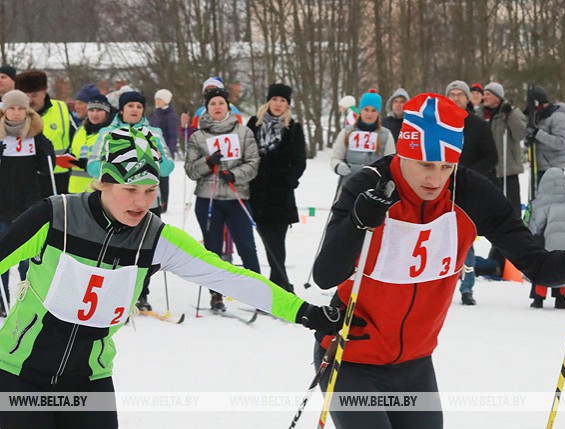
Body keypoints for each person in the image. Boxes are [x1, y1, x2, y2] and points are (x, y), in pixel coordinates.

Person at [0, 125, 342, 429]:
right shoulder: (54, 218)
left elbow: (229, 277)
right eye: (131, 189)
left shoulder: (155, 238)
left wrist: (305, 312)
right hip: (19, 373)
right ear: (104, 181)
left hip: (89, 379)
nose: (142, 202)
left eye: (150, 190)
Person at [312, 93, 565, 429]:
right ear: (403, 153)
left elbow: (539, 267)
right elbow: (325, 274)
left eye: (446, 166)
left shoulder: (469, 193)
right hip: (351, 358)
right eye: (425, 165)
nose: (435, 179)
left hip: (415, 365)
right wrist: (357, 222)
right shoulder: (370, 187)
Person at [87, 91, 175, 311]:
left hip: (147, 202)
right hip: (115, 202)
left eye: (139, 106)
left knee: (145, 249)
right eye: (130, 106)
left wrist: (153, 160)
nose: (135, 109)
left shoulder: (153, 132)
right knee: (112, 248)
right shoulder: (108, 132)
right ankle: (109, 294)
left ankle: (141, 294)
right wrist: (120, 169)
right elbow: (92, 166)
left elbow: (167, 167)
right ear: (122, 109)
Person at [185, 87, 261, 310]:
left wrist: (235, 175)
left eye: (221, 103)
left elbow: (254, 163)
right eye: (212, 104)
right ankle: (215, 294)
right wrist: (207, 163)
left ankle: (260, 292)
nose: (217, 107)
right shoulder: (198, 136)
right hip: (208, 200)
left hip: (236, 199)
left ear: (228, 106)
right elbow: (190, 170)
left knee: (247, 246)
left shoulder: (243, 132)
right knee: (213, 249)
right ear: (206, 109)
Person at [247, 83, 307, 293]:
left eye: (283, 100)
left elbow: (300, 161)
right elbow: (246, 153)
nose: (278, 104)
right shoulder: (253, 124)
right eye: (275, 99)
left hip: (281, 197)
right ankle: (279, 285)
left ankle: (279, 286)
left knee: (277, 243)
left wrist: (289, 181)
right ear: (268, 101)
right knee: (268, 242)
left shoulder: (293, 128)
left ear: (287, 104)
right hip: (258, 195)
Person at [0, 90, 55, 317]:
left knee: (26, 258)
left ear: (27, 110)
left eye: (20, 108)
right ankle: (2, 300)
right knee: (2, 255)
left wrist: (46, 152)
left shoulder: (35, 135)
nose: (16, 112)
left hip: (27, 204)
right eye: (12, 108)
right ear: (4, 110)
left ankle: (28, 297)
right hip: (1, 205)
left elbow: (45, 169)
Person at [445, 80, 498, 305]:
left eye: (460, 94)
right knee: (438, 240)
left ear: (468, 99)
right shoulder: (438, 124)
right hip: (437, 188)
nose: (456, 98)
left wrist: (468, 173)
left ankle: (467, 288)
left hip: (466, 189)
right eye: (452, 94)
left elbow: (491, 157)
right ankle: (438, 288)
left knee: (465, 241)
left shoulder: (477, 125)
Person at [527, 168, 565, 309]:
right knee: (564, 270)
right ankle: (561, 298)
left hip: (547, 246)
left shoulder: (542, 206)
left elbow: (535, 226)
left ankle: (538, 298)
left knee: (542, 269)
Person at [15, 70, 75, 196]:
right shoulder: (12, 114)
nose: (30, 100)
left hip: (58, 178)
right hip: (24, 179)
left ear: (44, 91)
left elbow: (77, 138)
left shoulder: (61, 109)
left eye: (34, 95)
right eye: (26, 96)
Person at [331, 89, 396, 189]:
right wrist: (338, 166)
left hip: (374, 186)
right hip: (348, 184)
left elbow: (391, 162)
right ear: (360, 110)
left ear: (378, 113)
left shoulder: (386, 134)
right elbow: (336, 157)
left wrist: (386, 180)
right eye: (366, 109)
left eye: (373, 110)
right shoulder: (347, 132)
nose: (369, 114)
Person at [479, 81, 526, 216]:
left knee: (512, 203)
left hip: (507, 167)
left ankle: (515, 227)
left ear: (497, 97)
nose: (484, 97)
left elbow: (520, 134)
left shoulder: (510, 112)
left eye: (488, 94)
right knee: (491, 203)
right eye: (484, 94)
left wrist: (511, 115)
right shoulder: (480, 113)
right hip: (488, 167)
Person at [524, 85, 565, 183]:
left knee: (551, 197)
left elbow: (562, 142)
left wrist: (537, 133)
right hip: (538, 166)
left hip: (553, 168)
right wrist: (528, 139)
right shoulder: (539, 117)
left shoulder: (558, 117)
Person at [67, 94, 113, 194]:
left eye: (99, 110)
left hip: (98, 190)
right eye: (91, 110)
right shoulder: (80, 130)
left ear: (106, 113)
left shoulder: (111, 133)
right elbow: (73, 151)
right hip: (75, 189)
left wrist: (88, 164)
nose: (94, 114)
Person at [149, 88, 179, 213]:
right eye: (156, 99)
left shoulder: (170, 115)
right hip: (152, 150)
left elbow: (172, 135)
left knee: (163, 178)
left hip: (164, 151)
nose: (157, 102)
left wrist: (170, 153)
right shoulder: (154, 114)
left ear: (166, 100)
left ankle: (164, 203)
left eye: (160, 99)